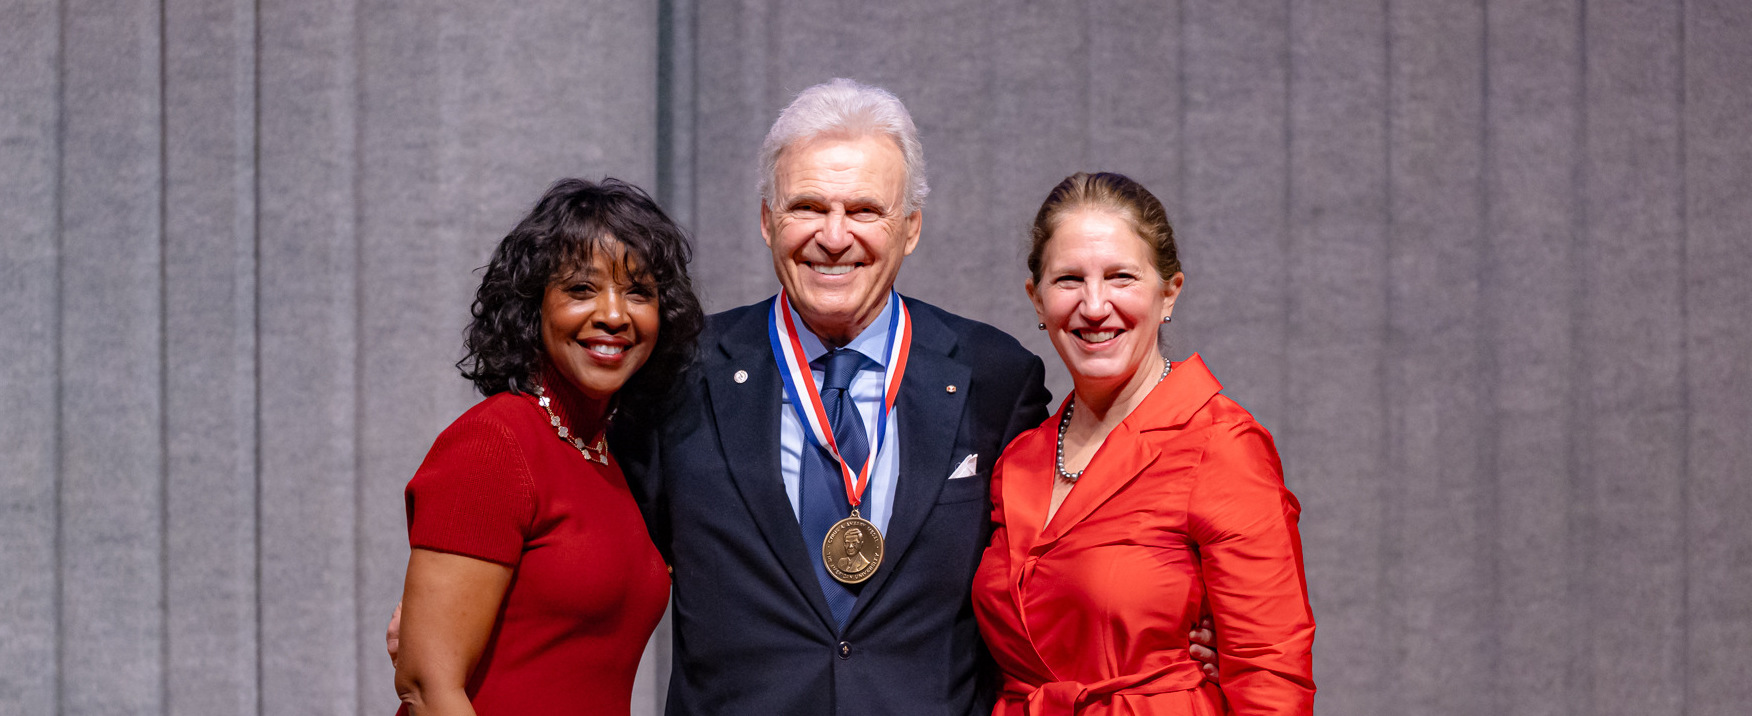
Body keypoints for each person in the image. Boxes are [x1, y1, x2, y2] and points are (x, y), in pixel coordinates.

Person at [608, 78, 1054, 715]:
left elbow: (1052, 566)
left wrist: (1182, 627)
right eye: (808, 207)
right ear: (768, 221)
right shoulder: (678, 372)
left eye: (865, 211)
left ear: (910, 229)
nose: (835, 237)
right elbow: (601, 555)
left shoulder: (995, 377)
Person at [972, 172, 1316, 715]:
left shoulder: (1220, 445)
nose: (1093, 305)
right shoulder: (1018, 459)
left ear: (1168, 293)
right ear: (1037, 301)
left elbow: (1270, 675)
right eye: (1068, 280)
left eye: (1120, 277)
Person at [391, 178, 704, 716]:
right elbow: (426, 685)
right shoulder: (494, 443)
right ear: (532, 307)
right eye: (582, 290)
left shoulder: (617, 455)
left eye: (638, 292)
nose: (613, 314)